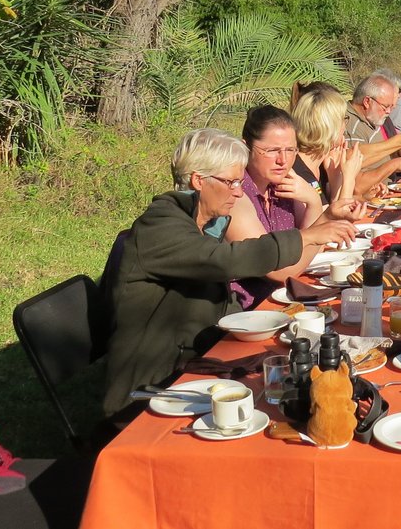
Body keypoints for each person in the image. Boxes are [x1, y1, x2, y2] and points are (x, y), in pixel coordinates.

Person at [101, 129, 359, 415]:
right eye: (232, 182)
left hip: (199, 362)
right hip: (151, 388)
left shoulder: (203, 222)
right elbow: (223, 260)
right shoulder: (161, 226)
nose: (239, 191)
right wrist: (307, 237)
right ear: (199, 180)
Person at [224, 106, 361, 306]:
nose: (283, 160)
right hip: (248, 313)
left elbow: (311, 249)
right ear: (246, 148)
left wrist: (315, 204)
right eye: (272, 151)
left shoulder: (284, 184)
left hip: (285, 301)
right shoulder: (236, 197)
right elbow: (279, 271)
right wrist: (324, 220)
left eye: (290, 150)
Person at [343, 73, 401, 177]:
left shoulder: (372, 117)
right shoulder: (350, 124)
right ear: (367, 101)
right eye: (385, 106)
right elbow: (354, 162)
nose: (388, 111)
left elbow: (381, 150)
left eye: (391, 107)